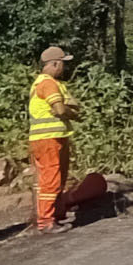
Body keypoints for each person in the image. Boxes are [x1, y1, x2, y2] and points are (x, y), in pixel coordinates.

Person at [29, 45, 83, 232]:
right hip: (48, 139)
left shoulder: (45, 83)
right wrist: (72, 113)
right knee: (50, 179)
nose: (63, 68)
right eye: (62, 64)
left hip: (53, 137)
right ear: (54, 64)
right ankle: (46, 221)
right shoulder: (48, 83)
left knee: (57, 178)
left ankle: (56, 214)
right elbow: (59, 109)